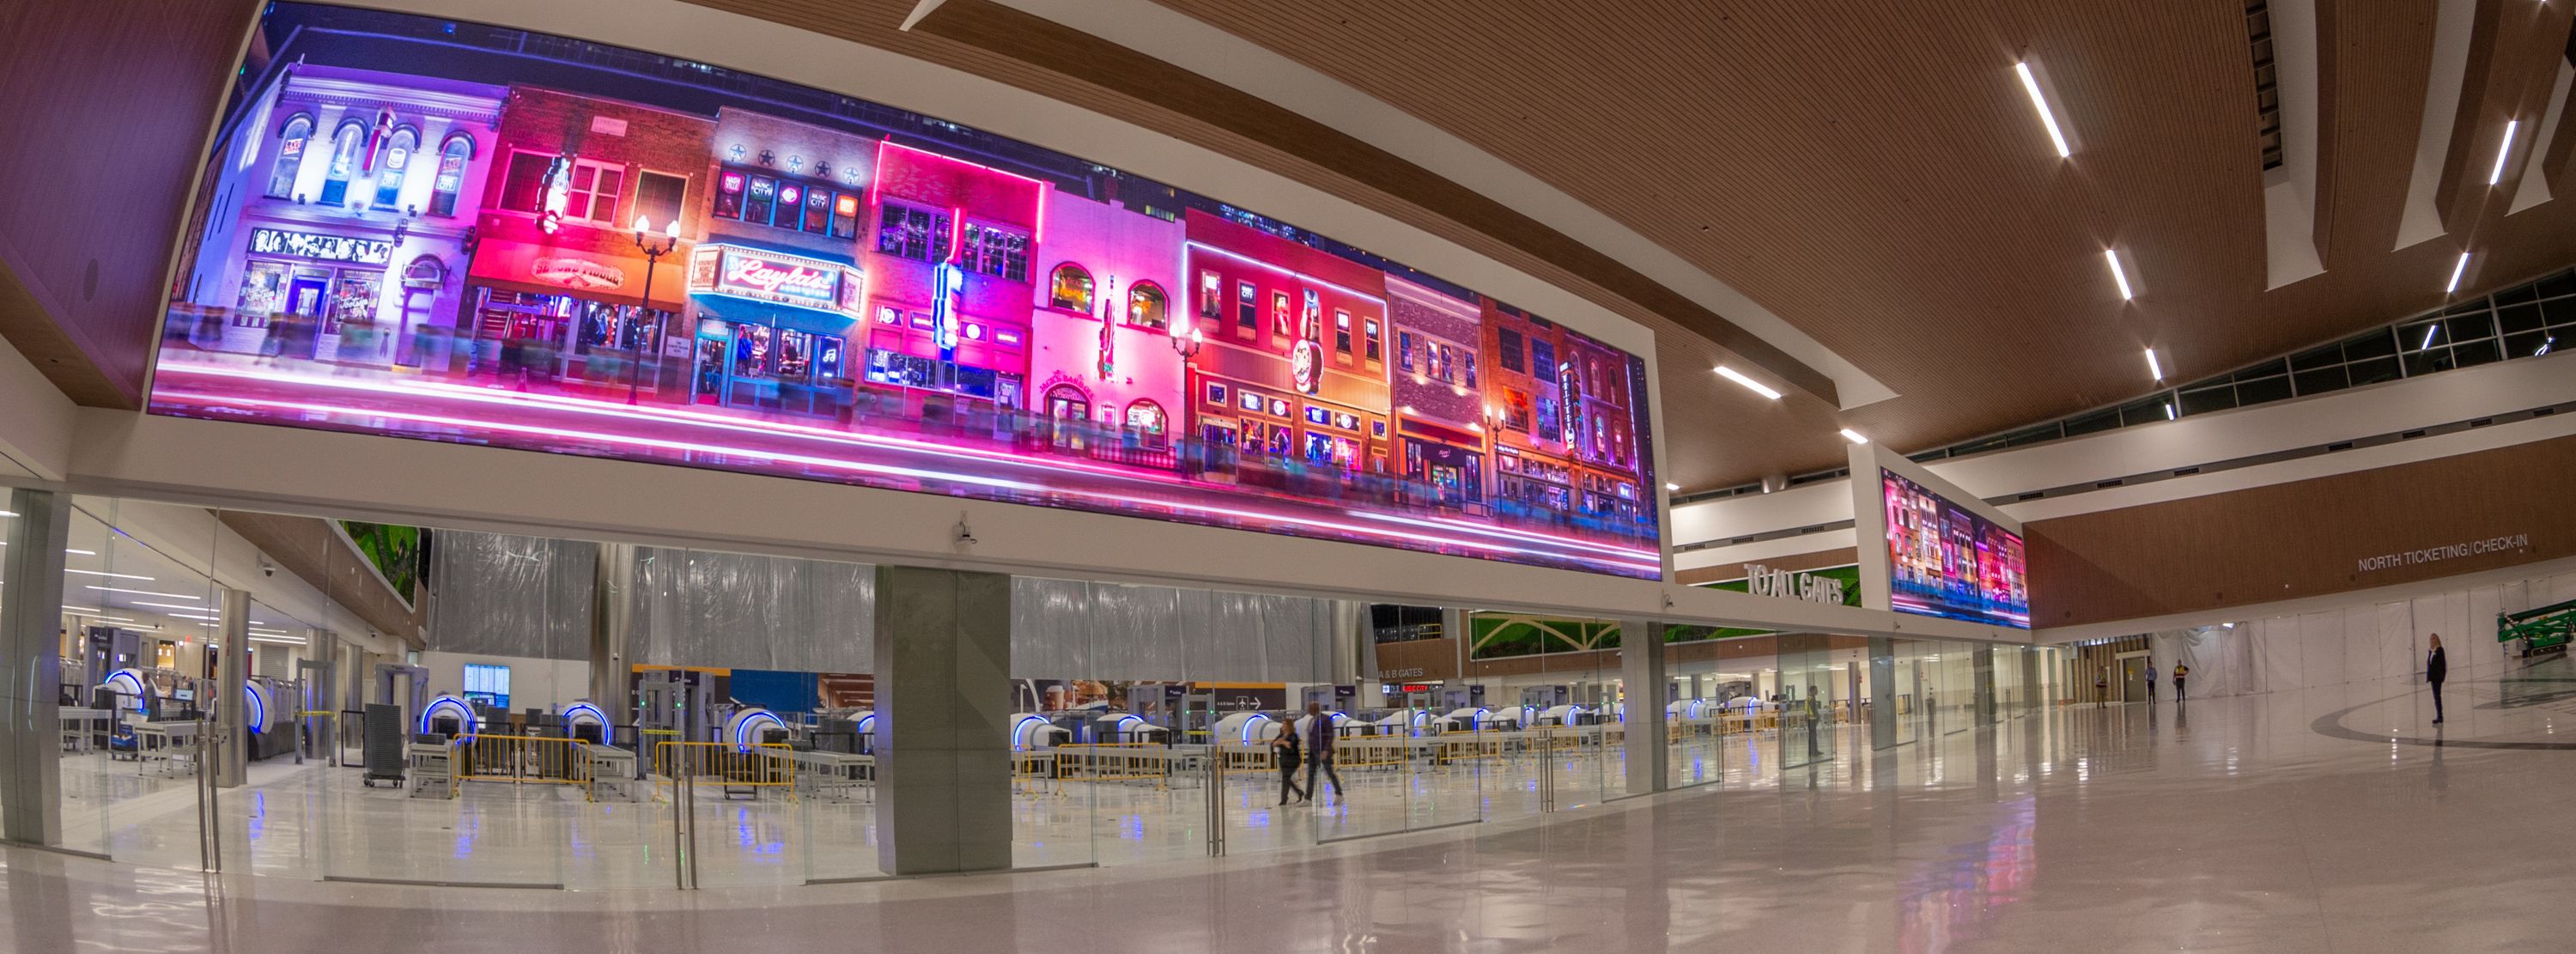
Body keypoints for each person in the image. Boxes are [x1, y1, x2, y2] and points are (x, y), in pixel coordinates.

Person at [1303, 702, 1344, 804]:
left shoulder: (1325, 719)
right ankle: (1308, 798)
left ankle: (1339, 794)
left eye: (1310, 708)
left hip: (1323, 752)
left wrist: (1325, 750)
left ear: (1315, 708)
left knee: (1330, 773)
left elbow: (1330, 735)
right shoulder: (1312, 720)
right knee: (1311, 775)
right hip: (1313, 752)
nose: (1308, 710)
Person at [1271, 718, 1307, 805]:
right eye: (1282, 724)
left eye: (1285, 724)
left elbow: (1289, 745)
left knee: (1285, 778)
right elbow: (1273, 744)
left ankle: (1284, 799)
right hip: (1283, 760)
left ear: (1289, 726)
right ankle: (1299, 792)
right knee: (1286, 778)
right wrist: (1280, 742)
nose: (1282, 726)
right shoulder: (1281, 735)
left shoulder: (1293, 736)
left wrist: (1282, 742)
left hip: (1292, 761)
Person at [2427, 634, 2448, 725]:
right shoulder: (2431, 651)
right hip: (2432, 678)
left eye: (2434, 638)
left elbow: (2443, 664)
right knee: (2436, 697)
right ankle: (2439, 715)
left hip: (2437, 677)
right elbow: (2429, 665)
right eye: (2431, 639)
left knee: (2437, 697)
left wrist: (2442, 676)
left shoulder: (2440, 650)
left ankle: (2440, 716)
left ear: (2437, 640)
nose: (2432, 640)